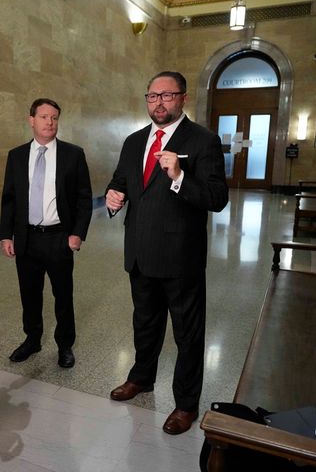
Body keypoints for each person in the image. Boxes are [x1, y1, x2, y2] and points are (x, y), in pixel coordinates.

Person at [105, 71, 228, 435]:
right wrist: (114, 196)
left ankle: (186, 404)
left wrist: (178, 176)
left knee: (187, 334)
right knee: (144, 323)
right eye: (152, 96)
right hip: (140, 253)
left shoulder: (203, 140)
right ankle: (141, 377)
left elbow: (217, 199)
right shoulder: (133, 141)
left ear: (183, 99)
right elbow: (122, 181)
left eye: (167, 96)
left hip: (180, 257)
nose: (158, 103)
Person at [0, 98, 92, 368]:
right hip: (26, 237)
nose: (49, 122)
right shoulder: (16, 156)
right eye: (43, 117)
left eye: (54, 117)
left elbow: (84, 198)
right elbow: (9, 199)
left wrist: (77, 233)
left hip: (58, 237)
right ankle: (32, 339)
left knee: (63, 295)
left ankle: (65, 345)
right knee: (29, 294)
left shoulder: (73, 154)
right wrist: (7, 235)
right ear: (31, 120)